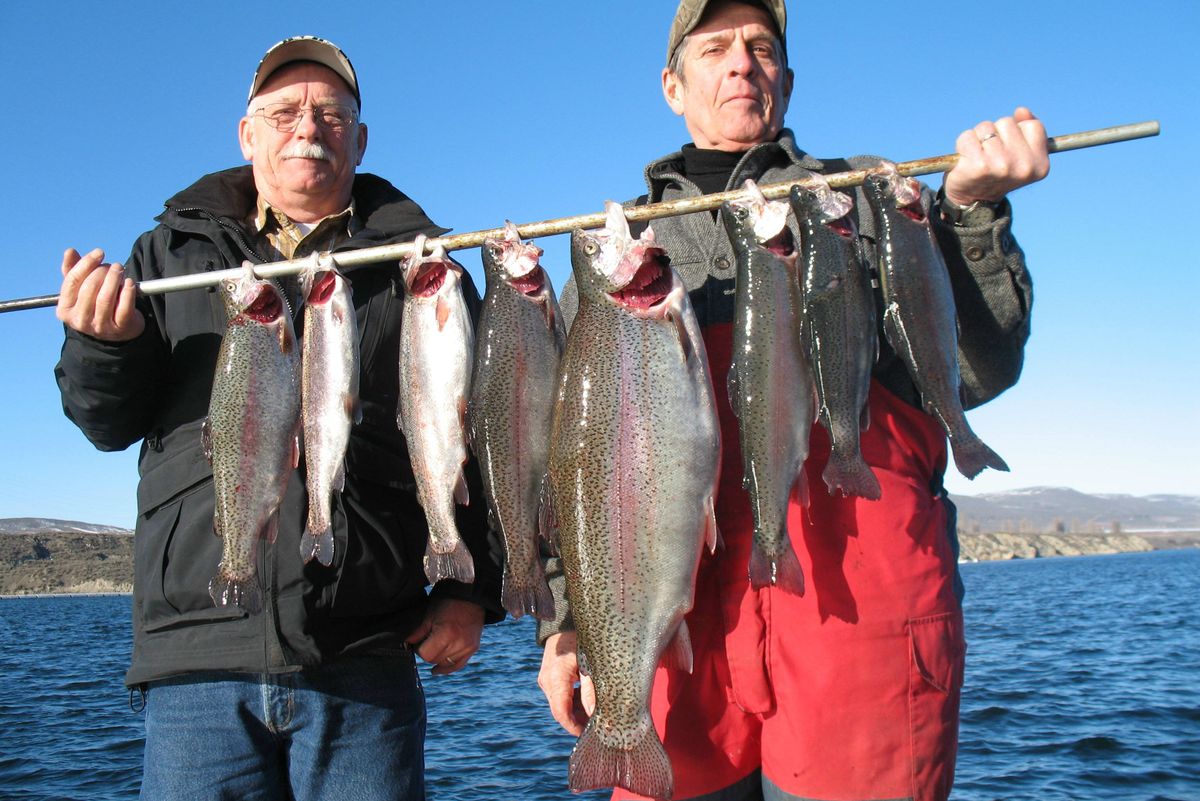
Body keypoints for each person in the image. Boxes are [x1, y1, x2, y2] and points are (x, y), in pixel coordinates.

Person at [536, 2, 1049, 800]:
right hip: (681, 623)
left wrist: (971, 218)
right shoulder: (620, 258)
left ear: (787, 78)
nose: (741, 63)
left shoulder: (868, 203)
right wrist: (568, 620)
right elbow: (573, 472)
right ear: (673, 85)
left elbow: (980, 370)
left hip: (864, 620)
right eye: (714, 49)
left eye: (761, 47)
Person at [54, 36, 503, 800]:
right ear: (248, 133)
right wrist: (104, 346)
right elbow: (103, 420)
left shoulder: (427, 264)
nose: (309, 127)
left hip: (365, 647)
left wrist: (473, 589)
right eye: (286, 110)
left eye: (332, 114)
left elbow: (492, 434)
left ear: (359, 140)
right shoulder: (167, 254)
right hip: (196, 655)